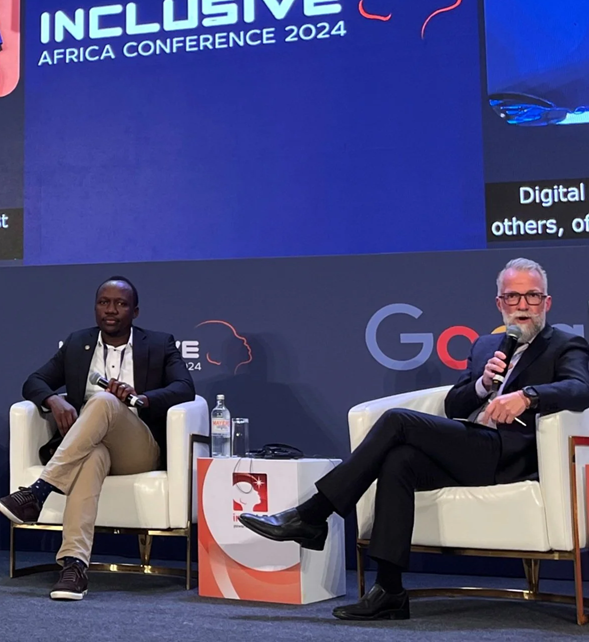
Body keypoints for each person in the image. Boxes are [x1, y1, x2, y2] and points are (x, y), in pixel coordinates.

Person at [239, 258, 589, 621]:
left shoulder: (565, 344)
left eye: (532, 296)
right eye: (512, 297)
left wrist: (527, 395)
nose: (522, 305)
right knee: (399, 461)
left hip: (513, 454)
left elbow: (581, 389)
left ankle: (312, 515)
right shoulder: (487, 346)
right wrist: (483, 384)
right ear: (499, 304)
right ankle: (389, 591)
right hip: (473, 447)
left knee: (397, 422)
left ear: (546, 302)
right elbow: (455, 404)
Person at [0, 277, 195, 600]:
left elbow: (185, 387)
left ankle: (39, 492)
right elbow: (35, 380)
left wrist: (142, 398)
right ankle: (74, 566)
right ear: (95, 307)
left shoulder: (158, 344)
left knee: (102, 401)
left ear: (135, 311)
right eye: (104, 302)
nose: (111, 310)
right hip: (88, 447)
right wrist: (52, 400)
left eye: (120, 304)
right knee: (92, 455)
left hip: (137, 450)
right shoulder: (77, 344)